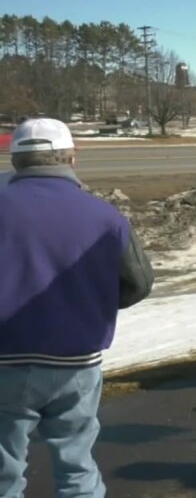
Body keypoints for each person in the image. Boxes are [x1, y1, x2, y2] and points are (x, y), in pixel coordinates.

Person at [0, 118, 155, 497]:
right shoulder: (106, 217)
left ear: (15, 160)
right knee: (77, 467)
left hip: (3, 362)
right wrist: (89, 304)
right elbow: (139, 283)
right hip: (76, 362)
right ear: (72, 157)